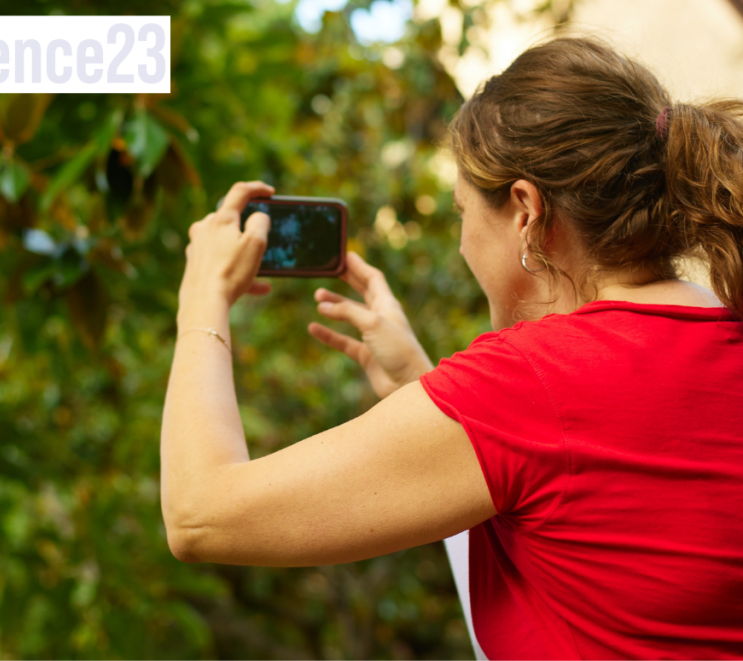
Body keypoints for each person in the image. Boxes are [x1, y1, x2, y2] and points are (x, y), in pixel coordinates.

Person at [160, 36, 743, 659]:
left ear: (525, 210)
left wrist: (202, 295)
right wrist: (421, 382)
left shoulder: (526, 383)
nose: (463, 245)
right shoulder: (720, 328)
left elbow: (201, 515)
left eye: (463, 211)